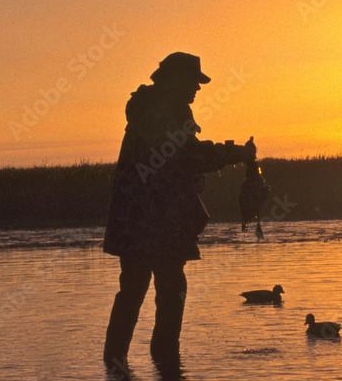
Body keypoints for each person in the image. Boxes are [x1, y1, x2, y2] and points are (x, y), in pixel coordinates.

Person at [103, 52, 256, 364]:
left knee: (142, 290)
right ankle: (162, 363)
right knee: (163, 290)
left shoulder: (161, 108)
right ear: (174, 78)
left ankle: (124, 368)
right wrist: (234, 155)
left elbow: (185, 153)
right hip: (153, 220)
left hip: (144, 219)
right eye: (193, 81)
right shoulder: (160, 111)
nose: (197, 88)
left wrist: (232, 153)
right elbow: (185, 157)